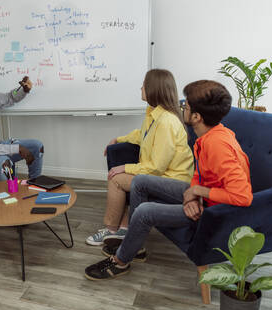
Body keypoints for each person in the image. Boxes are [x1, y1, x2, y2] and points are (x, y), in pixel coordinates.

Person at [84, 80, 253, 280]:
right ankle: (135, 246)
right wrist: (192, 196)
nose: (182, 109)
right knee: (141, 181)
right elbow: (201, 173)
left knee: (145, 212)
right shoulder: (209, 136)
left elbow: (243, 197)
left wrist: (198, 193)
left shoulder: (218, 145)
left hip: (212, 212)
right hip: (201, 199)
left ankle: (120, 262)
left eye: (186, 107)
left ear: (197, 117)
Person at [85, 69, 194, 246]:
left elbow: (156, 167)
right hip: (161, 176)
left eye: (144, 84)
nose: (141, 87)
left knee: (116, 179)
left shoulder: (166, 122)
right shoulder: (154, 114)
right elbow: (141, 135)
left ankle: (112, 230)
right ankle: (123, 228)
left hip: (173, 182)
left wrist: (124, 168)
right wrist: (119, 139)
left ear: (153, 89)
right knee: (120, 176)